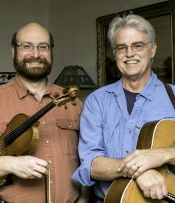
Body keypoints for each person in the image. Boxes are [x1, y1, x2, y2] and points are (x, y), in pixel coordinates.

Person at [0, 22, 89, 203]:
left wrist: (84, 197)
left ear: (51, 51)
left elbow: (87, 159)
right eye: (27, 46)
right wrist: (11, 164)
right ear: (13, 51)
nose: (36, 54)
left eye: (43, 47)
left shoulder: (73, 102)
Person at [72, 14, 175, 202]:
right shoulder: (97, 101)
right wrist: (137, 171)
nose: (129, 53)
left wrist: (163, 155)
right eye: (122, 48)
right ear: (115, 53)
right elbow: (90, 164)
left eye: (138, 45)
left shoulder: (173, 96)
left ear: (152, 49)